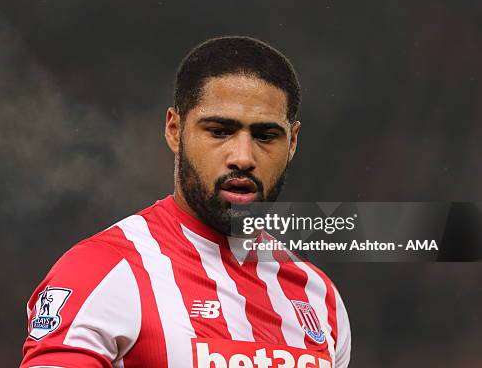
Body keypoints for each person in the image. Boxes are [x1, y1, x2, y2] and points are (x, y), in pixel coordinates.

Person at [20, 36, 351, 368]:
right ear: (175, 130)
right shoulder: (101, 272)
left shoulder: (319, 299)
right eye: (219, 131)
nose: (243, 157)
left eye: (266, 136)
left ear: (292, 142)